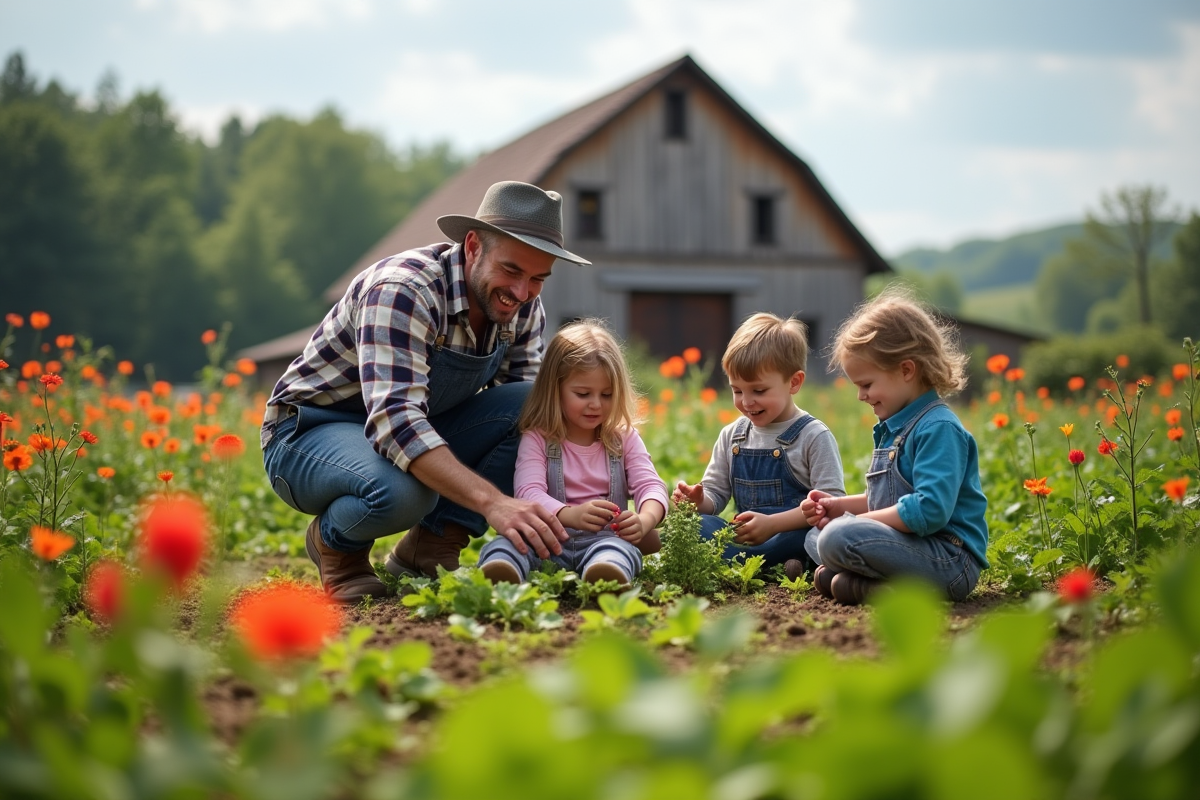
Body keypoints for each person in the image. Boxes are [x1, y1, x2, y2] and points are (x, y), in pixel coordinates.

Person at [260, 181, 591, 603]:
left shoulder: (520, 307)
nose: (522, 292)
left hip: (414, 426)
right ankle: (335, 545)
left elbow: (528, 422)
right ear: (473, 246)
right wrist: (493, 503)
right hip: (309, 432)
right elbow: (394, 421)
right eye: (511, 270)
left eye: (537, 278)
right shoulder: (404, 290)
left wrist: (570, 513)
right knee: (403, 494)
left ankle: (430, 547)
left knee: (535, 405)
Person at [800, 289, 989, 605]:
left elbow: (929, 510)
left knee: (836, 537)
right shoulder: (896, 427)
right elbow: (890, 500)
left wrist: (855, 524)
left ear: (906, 370)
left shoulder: (938, 427)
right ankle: (869, 587)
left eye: (867, 384)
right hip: (911, 547)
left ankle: (871, 586)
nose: (861, 395)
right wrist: (841, 507)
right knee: (817, 536)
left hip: (949, 559)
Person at [477, 320, 668, 588]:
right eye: (582, 393)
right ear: (555, 389)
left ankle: (605, 575)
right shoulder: (539, 437)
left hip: (605, 540)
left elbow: (651, 485)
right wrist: (571, 515)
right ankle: (502, 571)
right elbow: (528, 492)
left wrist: (645, 519)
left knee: (621, 551)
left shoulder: (622, 437)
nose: (595, 404)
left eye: (607, 394)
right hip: (545, 540)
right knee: (509, 543)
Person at [672, 312, 845, 572]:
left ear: (794, 382)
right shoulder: (732, 435)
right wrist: (699, 502)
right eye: (737, 390)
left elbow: (831, 503)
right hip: (747, 538)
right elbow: (716, 496)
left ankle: (786, 563)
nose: (746, 401)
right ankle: (779, 566)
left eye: (759, 391)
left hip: (791, 534)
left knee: (817, 536)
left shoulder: (813, 436)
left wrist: (773, 525)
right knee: (701, 526)